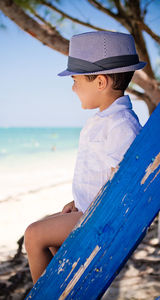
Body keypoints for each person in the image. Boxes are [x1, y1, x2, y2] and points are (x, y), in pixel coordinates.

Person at [24, 31, 146, 284]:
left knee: (34, 235)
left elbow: (123, 187)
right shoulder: (107, 120)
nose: (73, 87)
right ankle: (62, 289)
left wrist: (88, 208)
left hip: (104, 219)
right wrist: (78, 200)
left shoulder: (120, 126)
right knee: (51, 233)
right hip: (91, 210)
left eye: (76, 80)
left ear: (100, 82)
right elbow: (103, 175)